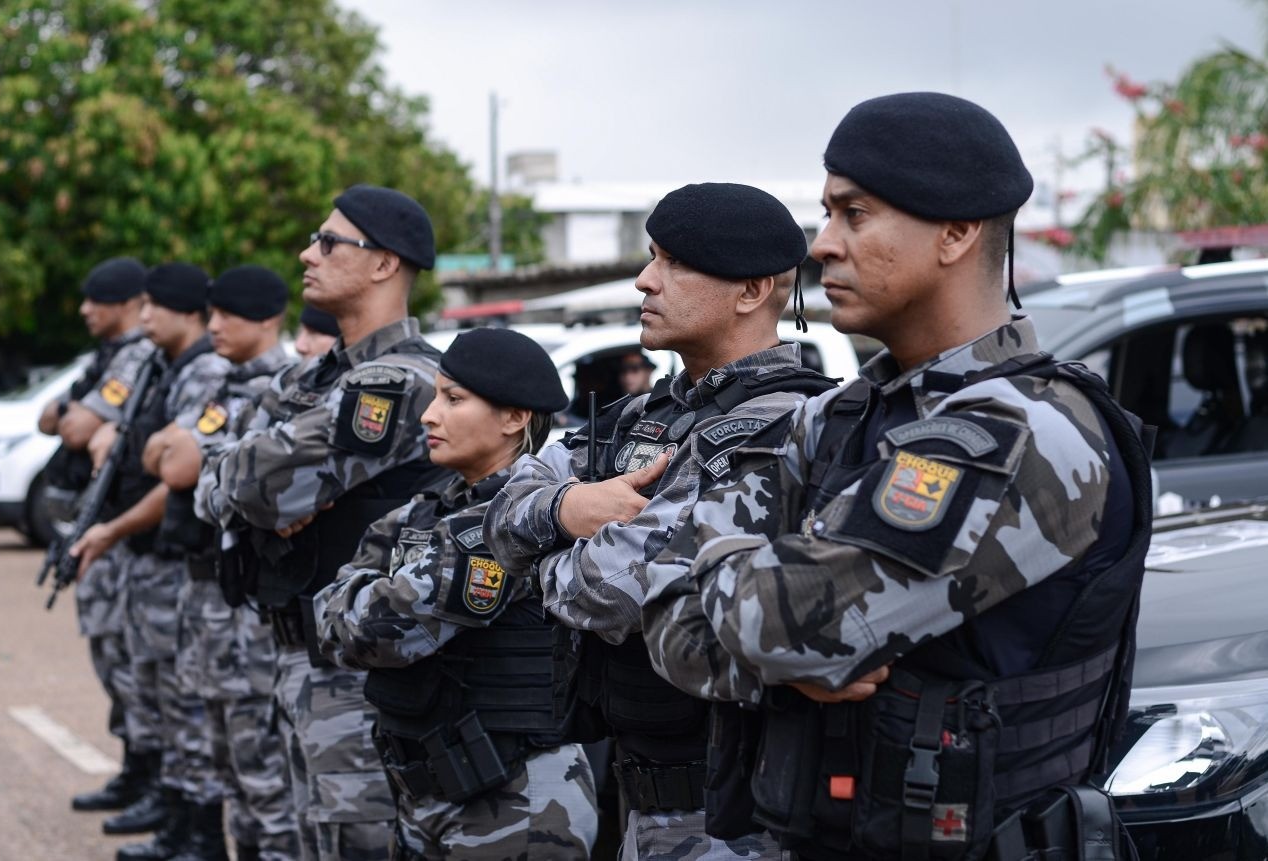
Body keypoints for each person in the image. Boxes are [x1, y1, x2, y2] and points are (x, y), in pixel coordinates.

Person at [642, 92, 1153, 861]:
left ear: (955, 233)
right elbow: (661, 612)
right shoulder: (841, 417)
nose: (821, 245)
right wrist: (772, 635)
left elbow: (778, 621)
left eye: (855, 214)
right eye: (827, 214)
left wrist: (732, 581)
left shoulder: (1021, 434)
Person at [483, 182, 839, 860]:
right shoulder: (633, 416)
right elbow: (505, 501)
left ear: (752, 289)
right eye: (651, 256)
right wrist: (567, 509)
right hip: (638, 797)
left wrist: (542, 553)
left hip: (730, 819)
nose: (646, 279)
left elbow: (615, 588)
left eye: (674, 262)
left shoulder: (784, 423)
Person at [197, 185, 449, 861]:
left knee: (357, 841)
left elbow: (256, 484)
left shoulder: (402, 381)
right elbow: (214, 477)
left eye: (330, 241)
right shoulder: (316, 379)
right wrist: (248, 483)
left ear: (384, 264)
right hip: (299, 653)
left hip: (358, 670)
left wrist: (251, 485)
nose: (308, 253)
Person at [315, 327, 599, 859]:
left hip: (516, 801)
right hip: (429, 792)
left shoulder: (526, 517)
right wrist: (365, 600)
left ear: (514, 418)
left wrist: (367, 598)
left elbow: (376, 633)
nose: (428, 414)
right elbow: (328, 617)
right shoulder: (427, 509)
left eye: (453, 399)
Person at [70, 262, 232, 861]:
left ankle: (194, 830)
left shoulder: (206, 371)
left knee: (185, 700)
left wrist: (114, 525)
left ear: (183, 311)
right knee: (158, 688)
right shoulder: (162, 367)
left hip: (177, 558)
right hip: (152, 553)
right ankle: (174, 816)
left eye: (152, 308)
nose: (142, 320)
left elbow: (175, 472)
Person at [145, 265, 300, 860]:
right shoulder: (228, 386)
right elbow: (162, 454)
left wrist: (195, 458)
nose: (212, 327)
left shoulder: (283, 387)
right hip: (214, 599)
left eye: (224, 315)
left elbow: (184, 466)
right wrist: (193, 456)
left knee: (263, 771)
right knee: (229, 761)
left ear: (264, 318)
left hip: (253, 610)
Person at [46, 257, 154, 815]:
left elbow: (76, 425)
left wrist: (71, 414)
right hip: (97, 524)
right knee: (113, 655)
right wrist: (70, 412)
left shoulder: (136, 354)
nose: (85, 309)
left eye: (96, 299)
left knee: (130, 659)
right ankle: (138, 770)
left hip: (125, 530)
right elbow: (50, 419)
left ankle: (150, 777)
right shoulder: (107, 357)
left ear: (129, 301)